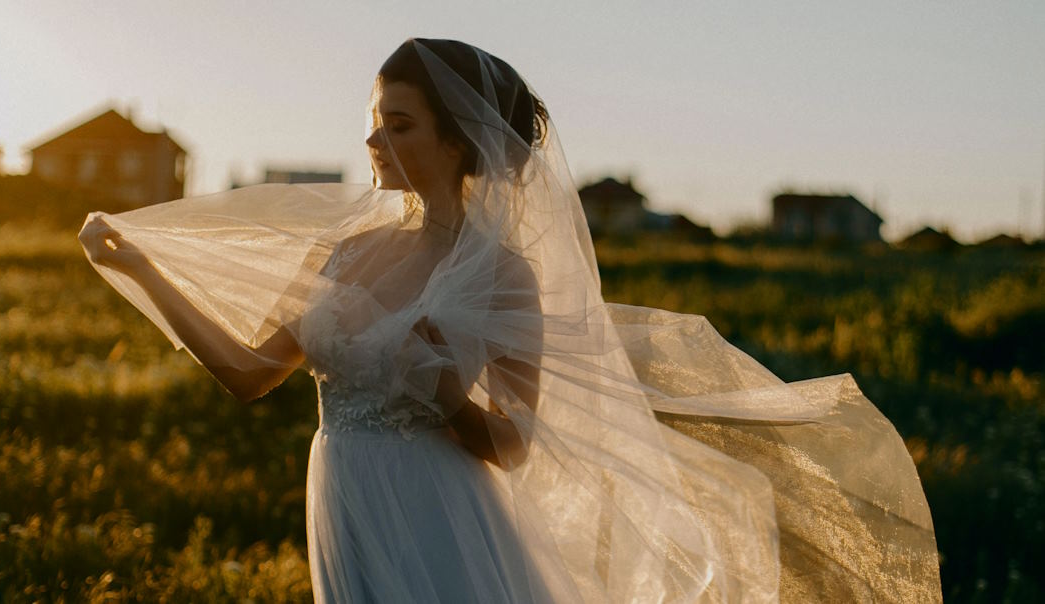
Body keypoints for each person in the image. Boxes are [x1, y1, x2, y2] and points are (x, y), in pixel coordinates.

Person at [79, 38, 942, 602]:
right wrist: (139, 268)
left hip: (439, 509)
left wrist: (451, 395)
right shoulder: (340, 254)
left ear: (459, 143)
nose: (375, 144)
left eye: (400, 124)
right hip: (344, 493)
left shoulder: (501, 274)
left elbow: (515, 444)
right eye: (374, 123)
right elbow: (245, 373)